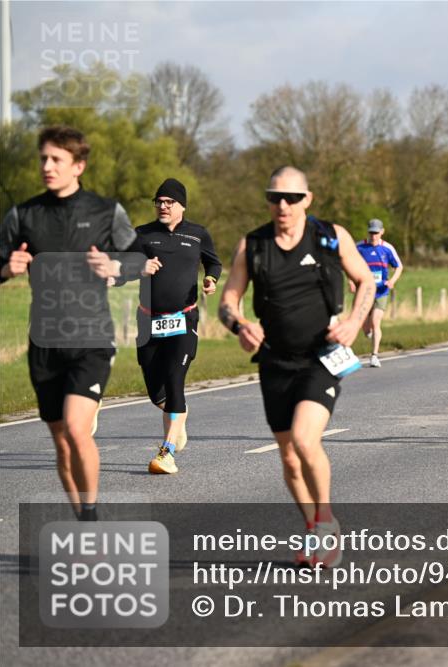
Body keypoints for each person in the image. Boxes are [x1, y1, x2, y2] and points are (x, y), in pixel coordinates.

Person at [218, 166, 375, 567]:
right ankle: (312, 527)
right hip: (274, 359)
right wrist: (239, 325)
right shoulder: (252, 245)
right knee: (288, 456)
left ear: (307, 199)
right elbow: (227, 301)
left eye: (290, 198)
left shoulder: (329, 237)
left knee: (306, 440)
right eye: (274, 197)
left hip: (321, 356)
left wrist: (355, 322)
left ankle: (325, 523)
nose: (282, 205)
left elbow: (367, 281)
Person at [0, 125, 137, 521]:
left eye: (56, 159)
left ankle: (91, 520)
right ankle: (82, 517)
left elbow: (141, 261)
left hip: (91, 338)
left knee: (78, 430)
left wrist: (113, 265)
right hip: (44, 342)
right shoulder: (23, 214)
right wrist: (6, 268)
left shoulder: (106, 211)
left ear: (78, 165)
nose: (47, 166)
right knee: (61, 442)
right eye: (43, 158)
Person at [129, 178, 222, 474]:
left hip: (184, 319)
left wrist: (211, 279)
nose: (163, 206)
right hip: (148, 321)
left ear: (182, 206)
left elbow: (214, 263)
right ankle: (177, 415)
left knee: (174, 379)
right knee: (156, 392)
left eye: (169, 202)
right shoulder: (142, 235)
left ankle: (166, 452)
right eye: (159, 201)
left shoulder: (197, 235)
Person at [354, 218, 403, 368]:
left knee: (376, 322)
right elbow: (349, 264)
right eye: (371, 232)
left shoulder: (387, 248)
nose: (373, 235)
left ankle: (374, 355)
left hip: (381, 291)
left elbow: (399, 266)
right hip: (365, 290)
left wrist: (392, 280)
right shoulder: (360, 247)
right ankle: (369, 333)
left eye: (376, 233)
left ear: (382, 232)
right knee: (363, 324)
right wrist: (351, 281)